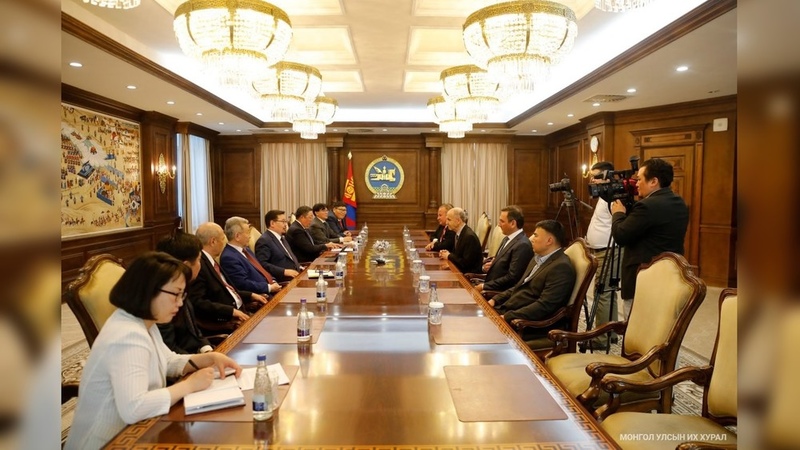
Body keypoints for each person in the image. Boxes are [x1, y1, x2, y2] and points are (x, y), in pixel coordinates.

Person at [64, 252, 241, 450]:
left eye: (182, 295)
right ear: (148, 290)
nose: (180, 303)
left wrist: (209, 358)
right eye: (175, 294)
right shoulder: (127, 336)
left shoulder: (144, 321)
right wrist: (190, 385)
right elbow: (134, 408)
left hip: (140, 430)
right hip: (108, 442)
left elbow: (167, 361)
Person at [610, 157, 689, 319]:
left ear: (654, 181)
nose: (636, 184)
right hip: (668, 276)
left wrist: (618, 213)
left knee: (636, 328)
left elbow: (621, 235)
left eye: (639, 179)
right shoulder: (679, 202)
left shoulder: (647, 206)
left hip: (643, 279)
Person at [490, 220, 576, 340]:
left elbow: (544, 306)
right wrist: (495, 299)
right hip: (509, 310)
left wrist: (507, 317)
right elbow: (519, 286)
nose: (531, 239)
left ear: (549, 241)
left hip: (526, 325)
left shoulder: (561, 267)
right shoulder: (537, 259)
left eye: (536, 235)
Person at [192, 222, 263, 331]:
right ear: (213, 241)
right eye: (222, 239)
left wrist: (251, 295)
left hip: (243, 311)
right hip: (227, 321)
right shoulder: (199, 266)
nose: (224, 243)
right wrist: (231, 311)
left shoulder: (211, 261)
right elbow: (198, 302)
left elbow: (227, 290)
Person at [583, 161, 623, 350]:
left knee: (602, 293)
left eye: (597, 176)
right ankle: (610, 333)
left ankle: (600, 338)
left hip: (609, 250)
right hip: (601, 250)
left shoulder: (613, 197)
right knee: (607, 293)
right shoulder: (603, 195)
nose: (592, 180)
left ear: (608, 176)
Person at [155, 230, 213, 354]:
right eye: (199, 260)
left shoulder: (183, 287)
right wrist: (201, 361)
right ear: (185, 266)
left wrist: (207, 350)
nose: (200, 265)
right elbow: (168, 350)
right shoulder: (163, 297)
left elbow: (194, 332)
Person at [474, 205, 534, 293]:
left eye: (502, 221)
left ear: (513, 223)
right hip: (490, 283)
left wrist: (484, 286)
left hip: (498, 292)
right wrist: (492, 265)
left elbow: (512, 278)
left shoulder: (522, 245)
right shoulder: (507, 238)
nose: (499, 224)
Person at [219, 216, 281, 297]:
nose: (250, 236)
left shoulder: (246, 250)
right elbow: (242, 283)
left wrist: (273, 281)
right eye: (247, 232)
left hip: (271, 290)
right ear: (237, 236)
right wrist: (269, 287)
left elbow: (261, 270)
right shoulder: (228, 258)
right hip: (261, 296)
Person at [255, 209, 302, 282]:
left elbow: (290, 257)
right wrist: (284, 271)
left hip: (296, 275)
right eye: (283, 222)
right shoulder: (264, 240)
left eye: (285, 221)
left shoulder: (282, 238)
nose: (285, 225)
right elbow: (262, 264)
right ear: (272, 223)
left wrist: (299, 267)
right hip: (283, 280)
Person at [438, 207, 483, 274]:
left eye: (449, 220)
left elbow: (466, 264)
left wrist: (449, 256)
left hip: (468, 276)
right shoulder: (458, 233)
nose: (446, 223)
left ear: (458, 221)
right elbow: (458, 256)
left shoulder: (469, 237)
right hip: (458, 271)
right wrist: (446, 253)